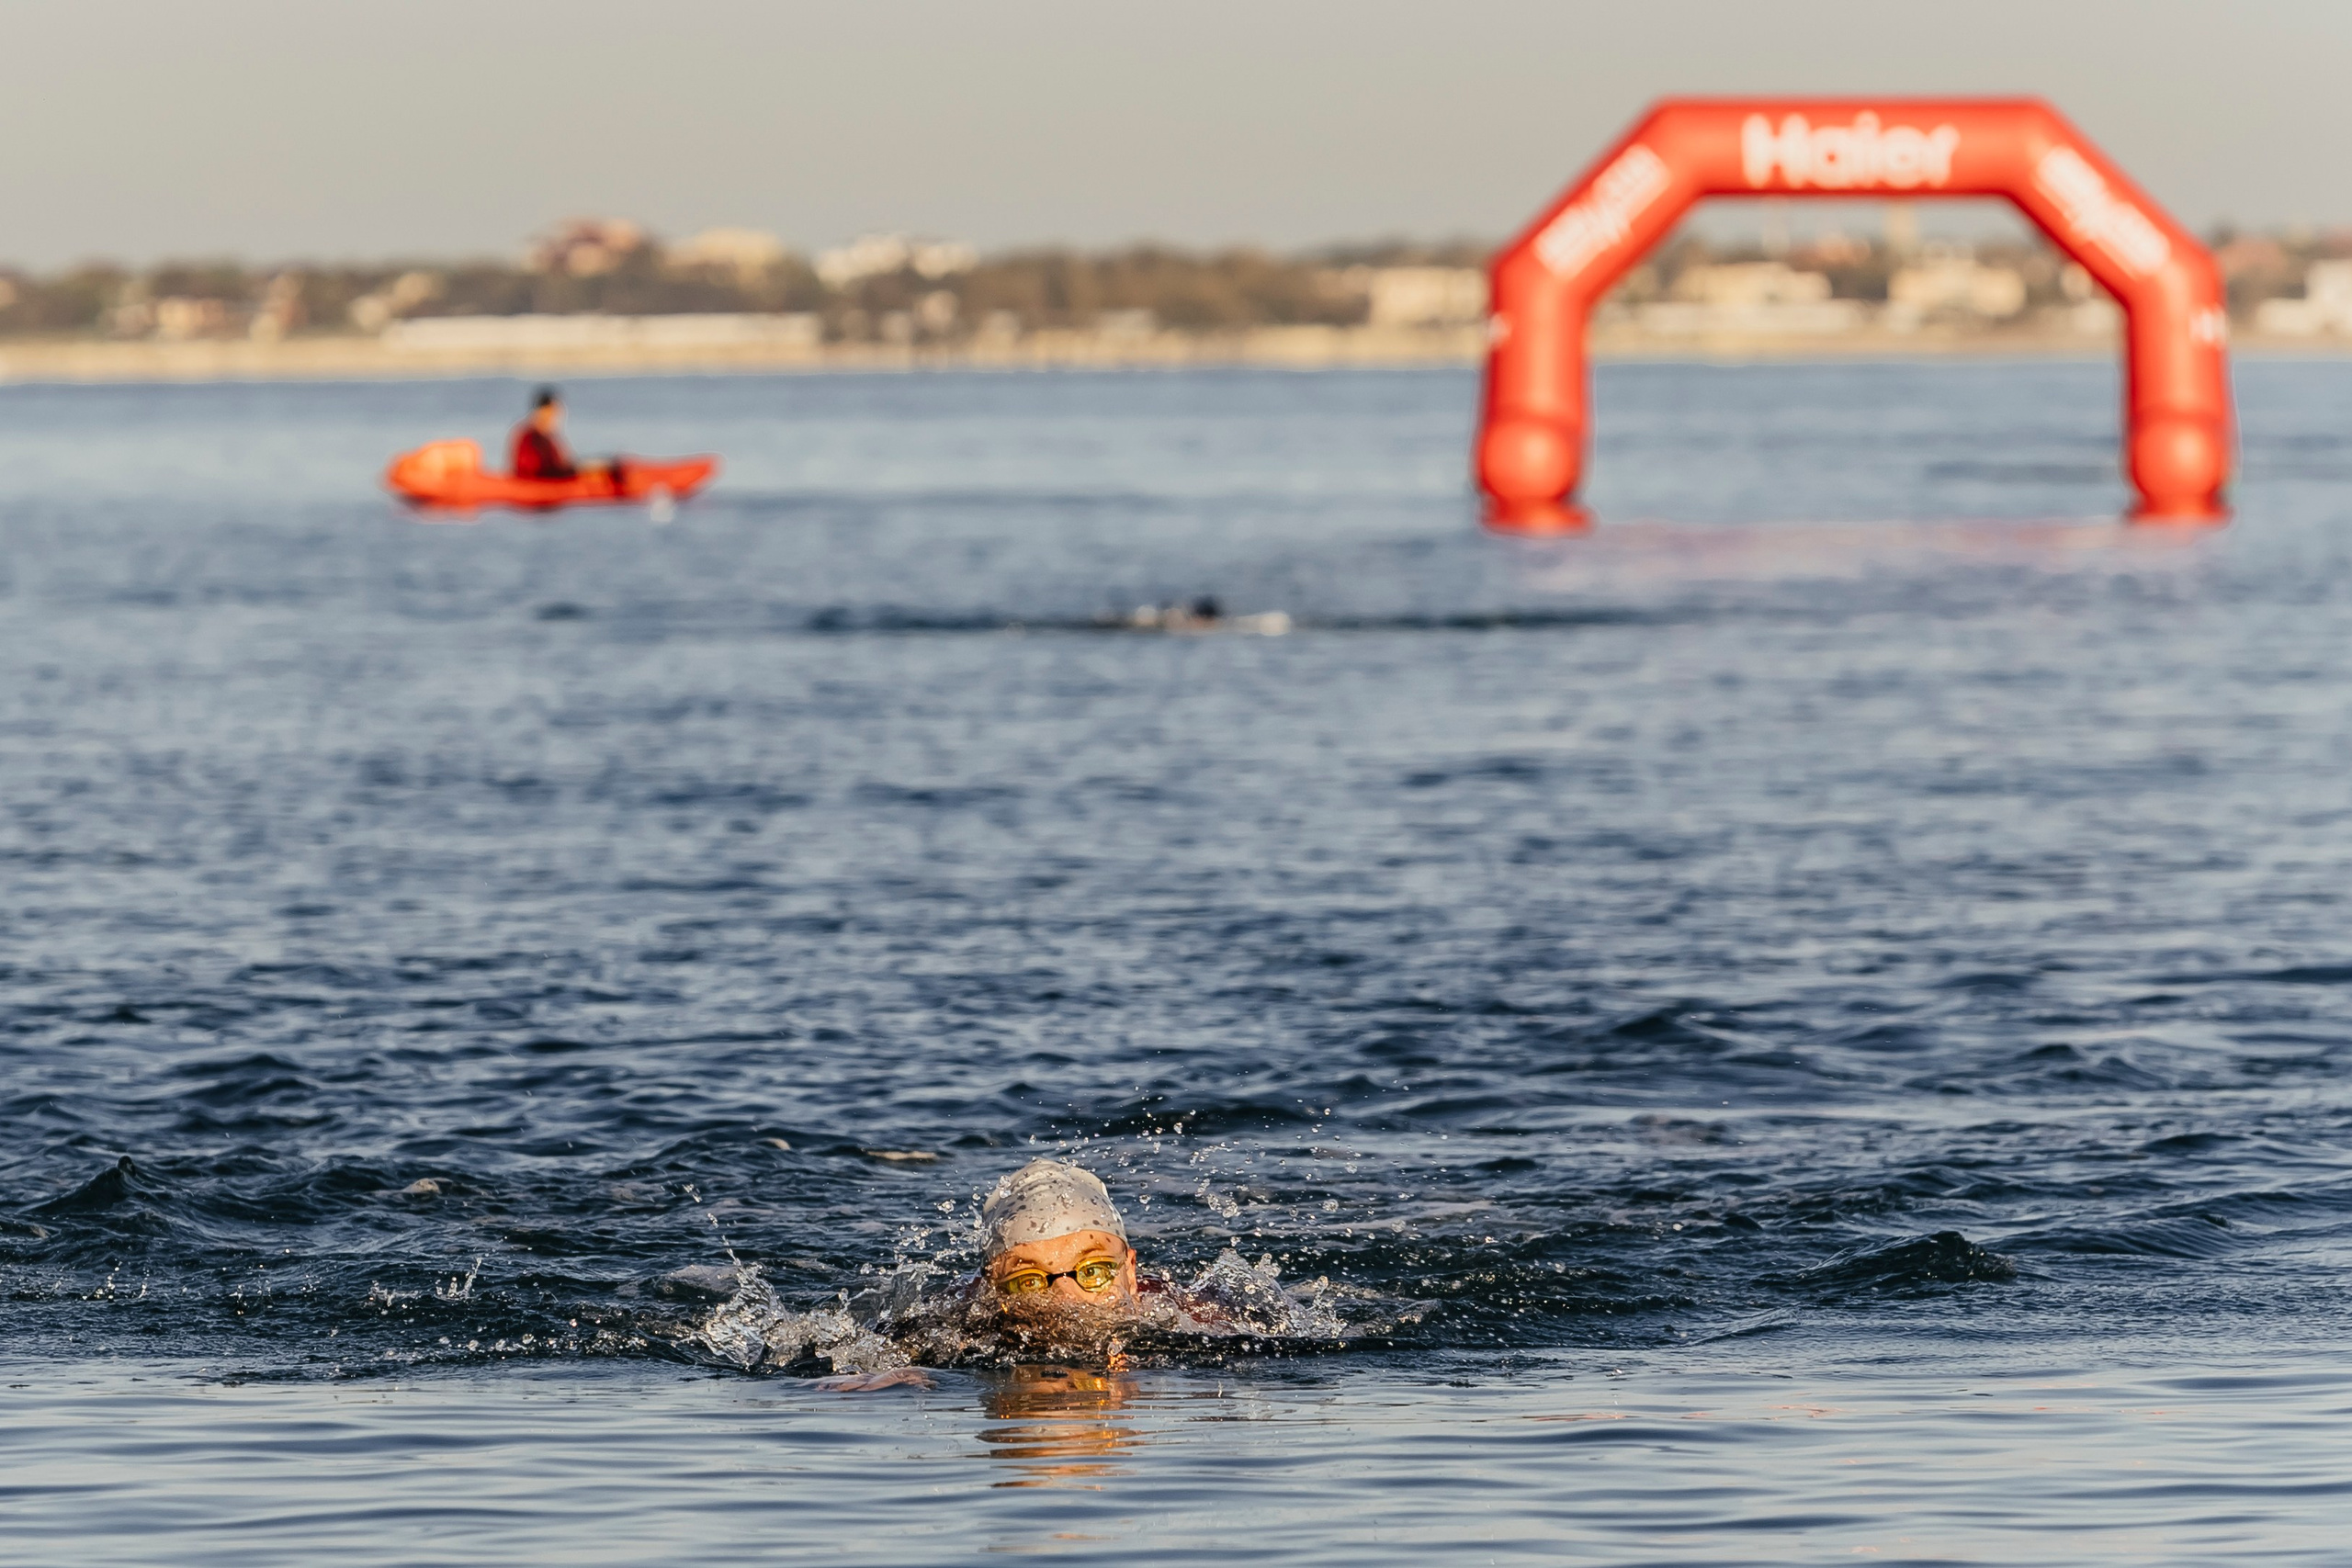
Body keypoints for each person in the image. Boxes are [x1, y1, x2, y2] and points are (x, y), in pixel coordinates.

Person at [510, 386, 626, 488]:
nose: (555, 417)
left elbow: (562, 463)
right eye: (553, 412)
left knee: (598, 464)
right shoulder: (529, 436)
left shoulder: (548, 437)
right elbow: (537, 471)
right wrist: (579, 470)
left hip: (553, 478)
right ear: (543, 411)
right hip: (539, 485)